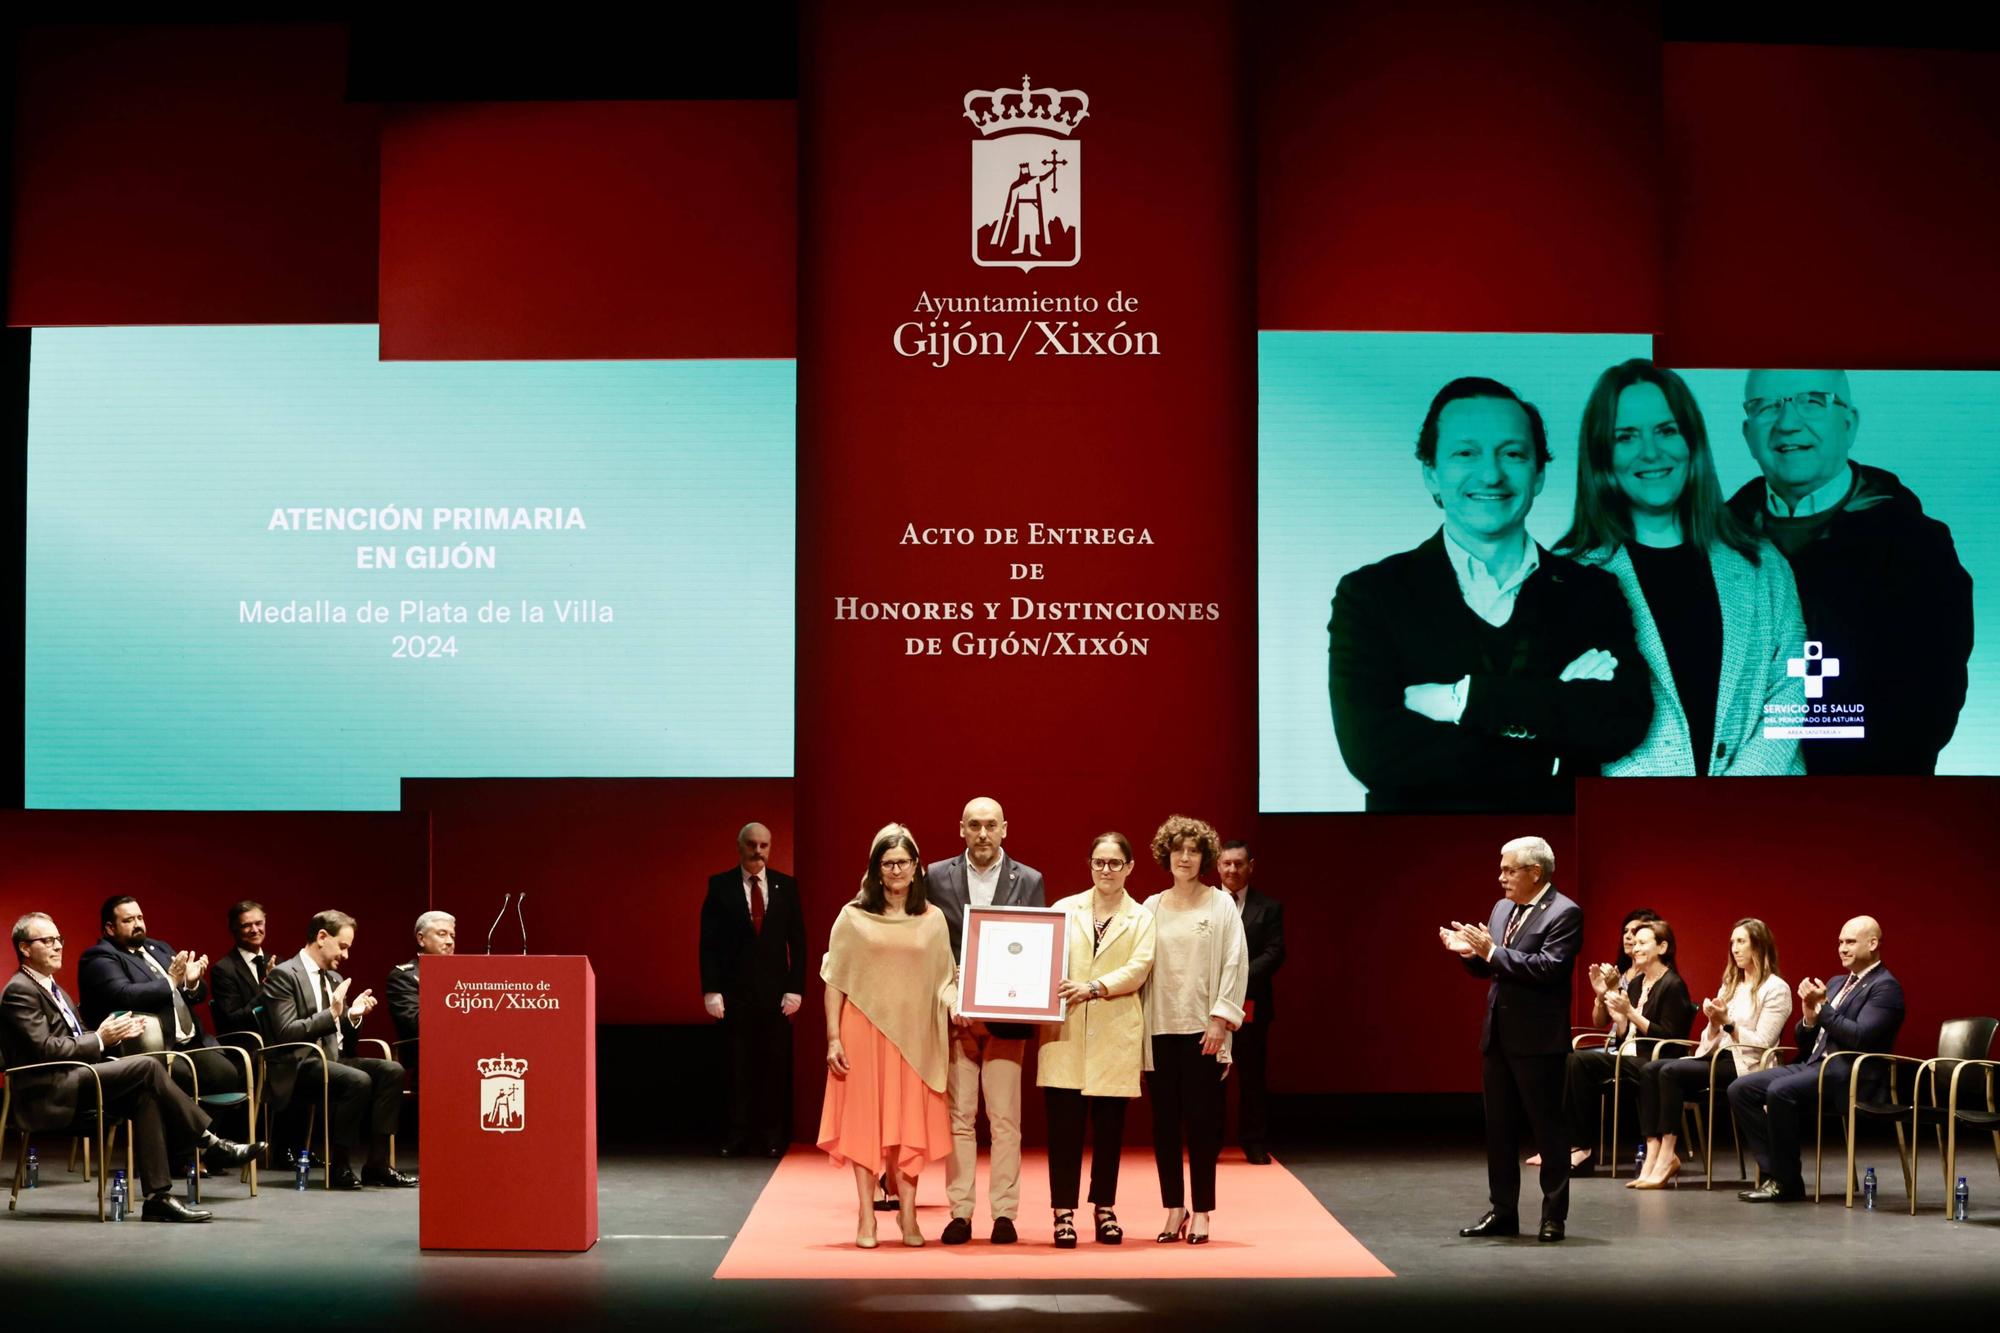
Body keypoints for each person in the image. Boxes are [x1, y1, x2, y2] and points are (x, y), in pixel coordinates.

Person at [1329, 376, 1653, 812]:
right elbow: (1375, 755)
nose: (1491, 474)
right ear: (1431, 474)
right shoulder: (1370, 594)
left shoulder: (1591, 591)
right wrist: (1551, 739)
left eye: (1513, 454)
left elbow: (1622, 724)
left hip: (1557, 854)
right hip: (1415, 858)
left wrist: (1461, 701)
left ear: (1538, 474)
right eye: (1466, 453)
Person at [1559, 359, 1806, 777]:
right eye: (1626, 436)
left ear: (1692, 442)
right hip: (1635, 826)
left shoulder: (1762, 565)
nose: (1651, 451)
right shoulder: (1567, 578)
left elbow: (1793, 689)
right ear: (1603, 454)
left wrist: (1733, 796)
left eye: (1666, 430)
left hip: (1761, 817)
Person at [1726, 370, 1973, 775]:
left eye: (1813, 401)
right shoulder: (1709, 544)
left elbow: (1928, 707)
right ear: (1747, 432)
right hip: (1734, 804)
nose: (1788, 423)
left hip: (1867, 805)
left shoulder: (1916, 546)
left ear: (1849, 423)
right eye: (1767, 406)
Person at [4, 912, 260, 1222]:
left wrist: (112, 1035)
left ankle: (158, 1198)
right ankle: (209, 1142)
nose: (58, 946)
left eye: (59, 939)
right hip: (48, 1089)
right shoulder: (20, 991)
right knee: (148, 1067)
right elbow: (44, 1050)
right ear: (24, 948)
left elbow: (78, 1036)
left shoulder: (52, 987)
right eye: (47, 941)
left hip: (76, 1077)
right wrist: (100, 1039)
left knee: (145, 1096)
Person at [817, 824, 956, 1249]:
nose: (896, 869)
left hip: (915, 1037)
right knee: (865, 1124)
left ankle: (909, 1217)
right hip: (863, 1032)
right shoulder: (852, 917)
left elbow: (946, 979)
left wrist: (959, 1004)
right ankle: (866, 1216)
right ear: (876, 870)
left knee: (909, 1125)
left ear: (917, 868)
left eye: (903, 862)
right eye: (887, 862)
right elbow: (834, 981)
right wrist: (833, 1037)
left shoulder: (933, 920)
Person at [1440, 835, 1581, 1243]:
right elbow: (1494, 969)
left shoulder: (1564, 913)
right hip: (1498, 1036)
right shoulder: (1503, 908)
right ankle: (1503, 1212)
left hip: (1539, 1040)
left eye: (1508, 869)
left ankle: (1553, 1216)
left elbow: (1547, 968)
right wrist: (1470, 954)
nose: (1500, 877)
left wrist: (1490, 952)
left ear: (1534, 872)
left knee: (1548, 1131)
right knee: (1498, 1130)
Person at [924, 796, 1046, 1245]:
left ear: (1005, 829)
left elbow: (1034, 948)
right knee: (959, 1118)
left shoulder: (1029, 879)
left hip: (1007, 1018)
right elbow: (932, 945)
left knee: (1005, 1119)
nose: (982, 833)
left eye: (990, 825)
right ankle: (960, 1213)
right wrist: (951, 995)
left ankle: (1004, 1215)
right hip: (955, 1017)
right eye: (974, 825)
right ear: (961, 828)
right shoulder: (936, 876)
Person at [1728, 915, 1903, 1203]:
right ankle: (1779, 1175)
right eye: (1840, 942)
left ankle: (1786, 1182)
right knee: (1741, 1089)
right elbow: (1808, 1041)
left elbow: (1859, 1038)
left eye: (1850, 942)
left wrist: (1822, 1008)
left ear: (1872, 944)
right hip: (1816, 1065)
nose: (1842, 948)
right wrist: (1809, 1018)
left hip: (1851, 1074)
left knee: (1779, 1092)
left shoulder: (1885, 987)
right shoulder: (1836, 983)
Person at [1039, 832, 1156, 1248]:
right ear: (1089, 864)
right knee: (1064, 1130)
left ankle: (1104, 1207)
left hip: (1115, 1032)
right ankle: (1063, 1213)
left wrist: (1094, 987)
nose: (1106, 870)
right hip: (1065, 1034)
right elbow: (1041, 961)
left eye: (1114, 863)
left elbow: (1139, 968)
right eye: (1098, 862)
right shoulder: (1063, 910)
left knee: (1109, 1130)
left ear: (1129, 867)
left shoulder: (1141, 917)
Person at [1142, 815, 1248, 1246]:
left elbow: (1234, 962)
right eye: (1178, 850)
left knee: (1202, 1126)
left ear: (1204, 857)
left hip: (1204, 1031)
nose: (1184, 857)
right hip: (1157, 1029)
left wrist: (1221, 1019)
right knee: (1164, 1126)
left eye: (1193, 850)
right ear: (1166, 854)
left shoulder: (1219, 903)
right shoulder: (1150, 906)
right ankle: (1174, 1209)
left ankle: (1202, 1211)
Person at [260, 909, 417, 1189]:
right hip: (297, 1065)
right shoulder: (284, 975)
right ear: (322, 937)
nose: (345, 955)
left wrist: (352, 1016)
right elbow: (286, 1033)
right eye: (342, 946)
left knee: (392, 1070)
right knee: (357, 1080)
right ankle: (340, 1166)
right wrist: (331, 1015)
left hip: (333, 1060)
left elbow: (344, 1040)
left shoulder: (333, 978)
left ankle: (378, 1165)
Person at [1630, 917, 1790, 1188]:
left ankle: (1668, 1155)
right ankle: (1653, 1151)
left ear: (1758, 946)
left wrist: (1728, 1023)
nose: (1734, 949)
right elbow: (1707, 1039)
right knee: (1650, 1069)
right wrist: (1715, 1023)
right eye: (1732, 943)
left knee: (1669, 1070)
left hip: (1745, 1065)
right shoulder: (1731, 985)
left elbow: (1762, 1043)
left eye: (1741, 942)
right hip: (1715, 1057)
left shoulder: (1775, 989)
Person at [699, 822, 808, 1158]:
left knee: (773, 1069)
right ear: (740, 846)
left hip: (776, 997)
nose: (758, 851)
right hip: (734, 996)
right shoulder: (719, 886)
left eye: (764, 845)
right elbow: (709, 943)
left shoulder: (786, 887)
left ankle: (772, 1136)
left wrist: (795, 989)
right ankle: (736, 1135)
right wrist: (711, 990)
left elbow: (799, 942)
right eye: (752, 845)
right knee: (737, 1068)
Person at [1560, 918, 1695, 1172]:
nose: (1635, 948)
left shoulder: (1673, 985)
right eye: (1635, 943)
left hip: (1655, 1062)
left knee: (1579, 1060)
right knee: (1573, 1059)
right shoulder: (1635, 983)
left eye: (1643, 943)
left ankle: (1583, 1149)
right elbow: (1625, 1037)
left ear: (1662, 948)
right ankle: (1579, 1147)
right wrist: (1618, 1015)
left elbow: (1669, 1039)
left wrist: (1630, 1013)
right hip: (1631, 1057)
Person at [1217, 839, 1284, 1164]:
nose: (1232, 869)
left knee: (1252, 1077)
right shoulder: (1205, 904)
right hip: (1209, 1006)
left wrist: (1237, 978)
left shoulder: (1268, 907)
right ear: (1217, 866)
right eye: (1227, 863)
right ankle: (1209, 1144)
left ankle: (1255, 1142)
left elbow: (1275, 953)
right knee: (1210, 1078)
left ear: (1250, 866)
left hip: (1251, 1003)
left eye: (1238, 863)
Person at [385, 909, 454, 1075]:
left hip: (463, 1048)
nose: (450, 941)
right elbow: (415, 1024)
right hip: (425, 1053)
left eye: (452, 936)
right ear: (421, 939)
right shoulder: (404, 976)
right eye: (442, 934)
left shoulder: (463, 976)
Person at [208, 899, 271, 1042]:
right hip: (252, 1046)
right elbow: (235, 1020)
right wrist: (268, 988)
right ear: (234, 929)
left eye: (259, 923)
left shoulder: (278, 962)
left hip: (285, 1040)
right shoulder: (223, 970)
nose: (255, 930)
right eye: (246, 926)